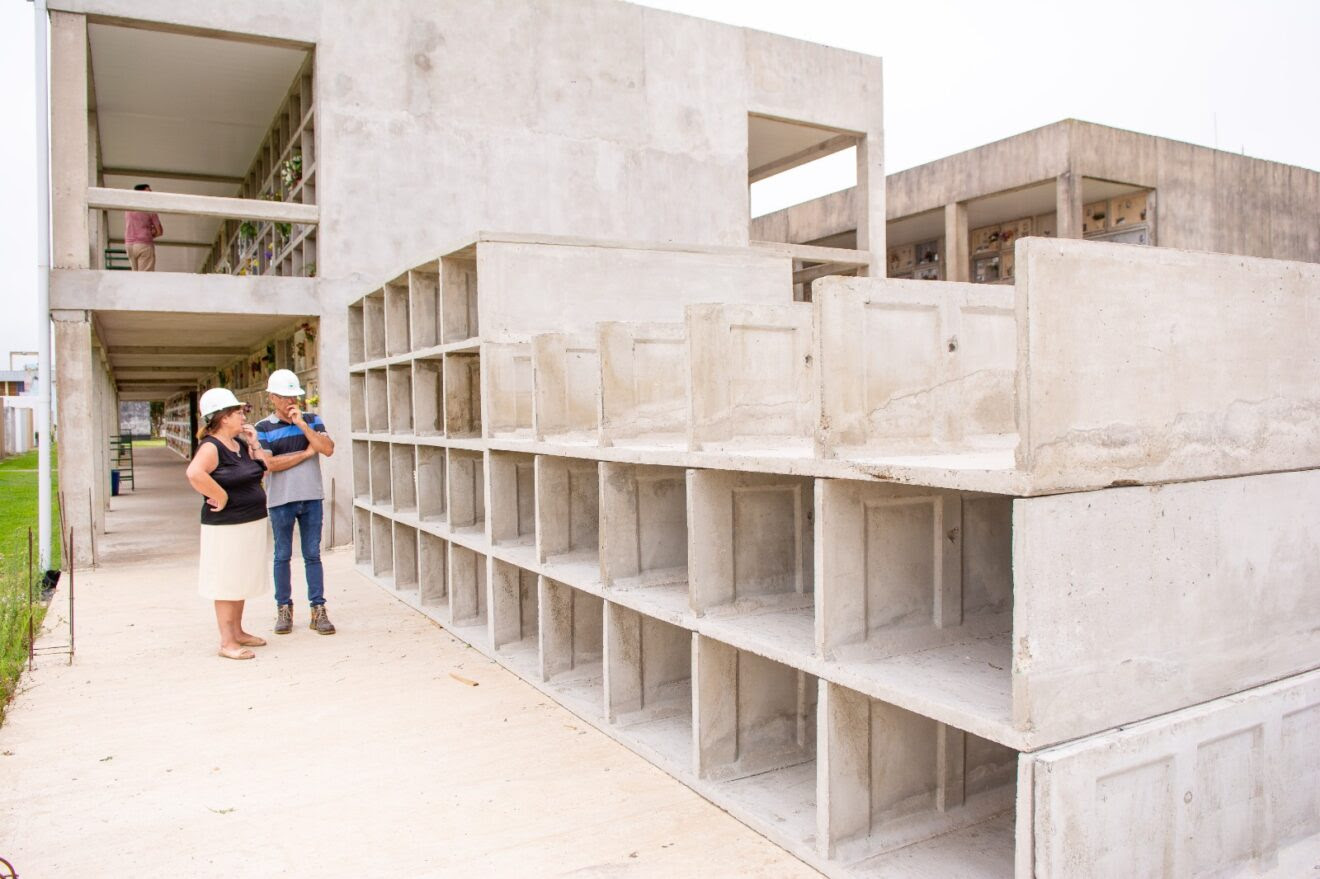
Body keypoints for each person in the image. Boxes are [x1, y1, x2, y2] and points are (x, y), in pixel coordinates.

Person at [185, 389, 280, 660]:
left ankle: (238, 631)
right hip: (226, 527)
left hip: (249, 522)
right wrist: (221, 495)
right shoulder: (211, 447)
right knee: (227, 582)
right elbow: (194, 473)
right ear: (224, 417)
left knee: (240, 579)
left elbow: (265, 467)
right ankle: (227, 642)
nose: (243, 416)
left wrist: (254, 442)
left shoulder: (239, 443)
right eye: (238, 412)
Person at [256, 369, 337, 635]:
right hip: (281, 501)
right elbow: (269, 463)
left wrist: (302, 425)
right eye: (285, 396)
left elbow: (327, 448)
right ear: (272, 398)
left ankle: (318, 610)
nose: (292, 401)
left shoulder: (312, 420)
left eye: (295, 396)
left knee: (312, 555)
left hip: (312, 497)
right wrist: (304, 454)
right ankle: (284, 609)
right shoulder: (263, 428)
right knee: (282, 556)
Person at [124, 183, 164, 271]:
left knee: (136, 276)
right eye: (149, 191)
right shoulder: (149, 208)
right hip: (144, 244)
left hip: (129, 245)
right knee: (145, 277)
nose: (151, 194)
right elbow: (159, 231)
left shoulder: (128, 208)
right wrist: (150, 233)